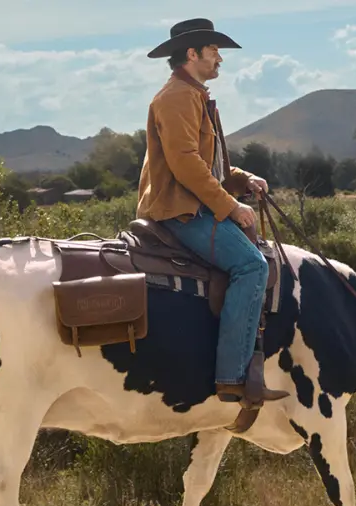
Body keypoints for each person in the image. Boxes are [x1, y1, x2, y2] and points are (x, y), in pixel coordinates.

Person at [136, 18, 290, 412]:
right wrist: (230, 206)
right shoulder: (175, 98)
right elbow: (186, 164)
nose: (220, 58)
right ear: (193, 54)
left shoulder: (194, 95)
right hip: (180, 212)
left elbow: (212, 166)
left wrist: (243, 179)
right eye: (214, 50)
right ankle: (233, 376)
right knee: (252, 267)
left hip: (197, 206)